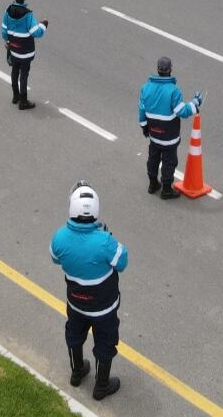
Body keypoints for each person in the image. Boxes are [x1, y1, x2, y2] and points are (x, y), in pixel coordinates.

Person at [50, 181, 127, 401]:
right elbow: (123, 262)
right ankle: (101, 387)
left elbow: (55, 258)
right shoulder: (104, 241)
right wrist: (107, 237)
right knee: (105, 343)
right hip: (103, 309)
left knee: (74, 335)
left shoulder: (60, 238)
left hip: (75, 303)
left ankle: (77, 372)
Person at [137, 57, 202, 199]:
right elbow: (182, 112)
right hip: (169, 136)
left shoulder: (145, 88)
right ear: (170, 69)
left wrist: (144, 127)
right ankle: (166, 189)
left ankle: (153, 184)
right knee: (169, 162)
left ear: (158, 69)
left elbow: (141, 110)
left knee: (153, 158)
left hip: (153, 134)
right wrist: (195, 104)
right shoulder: (174, 91)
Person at [2, 0, 48, 110]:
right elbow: (36, 32)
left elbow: (4, 30)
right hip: (25, 52)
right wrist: (43, 25)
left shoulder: (8, 11)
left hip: (13, 49)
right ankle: (23, 101)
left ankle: (15, 96)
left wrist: (7, 41)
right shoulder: (28, 14)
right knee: (24, 75)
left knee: (14, 71)